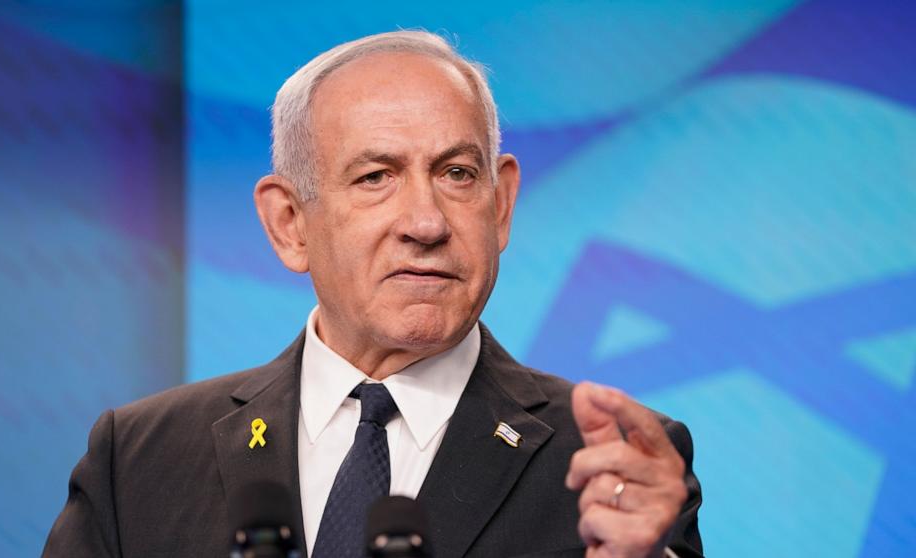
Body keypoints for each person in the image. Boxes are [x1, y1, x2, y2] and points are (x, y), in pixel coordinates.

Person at [43, 31, 702, 558]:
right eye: (376, 176)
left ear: (500, 207)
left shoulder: (608, 470)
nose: (427, 222)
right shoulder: (138, 461)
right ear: (289, 223)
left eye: (457, 173)